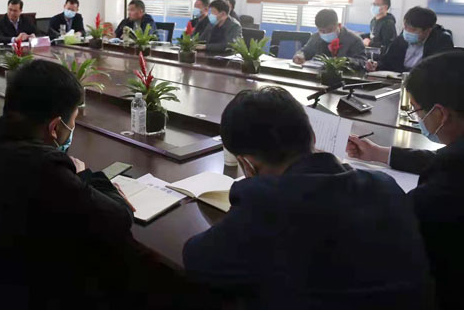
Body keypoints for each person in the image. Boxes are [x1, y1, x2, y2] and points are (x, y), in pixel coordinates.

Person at [184, 86, 433, 310]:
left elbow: (197, 259)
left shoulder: (266, 205)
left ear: (248, 164)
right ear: (312, 137)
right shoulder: (385, 185)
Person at [0, 60, 135, 309]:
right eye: (73, 121)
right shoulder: (41, 166)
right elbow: (119, 219)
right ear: (55, 127)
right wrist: (85, 175)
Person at [347, 51, 464, 309]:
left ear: (441, 114)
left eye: (416, 110)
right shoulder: (454, 156)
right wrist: (379, 154)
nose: (417, 117)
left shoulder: (449, 180)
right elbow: (438, 158)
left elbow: (400, 219)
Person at [366, 6, 453, 73]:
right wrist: (376, 65)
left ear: (427, 31)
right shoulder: (401, 39)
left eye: (413, 30)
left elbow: (438, 70)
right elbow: (387, 62)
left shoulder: (441, 41)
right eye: (406, 27)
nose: (408, 31)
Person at [293, 9, 367, 69]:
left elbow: (362, 62)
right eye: (321, 31)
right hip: (318, 76)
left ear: (339, 25)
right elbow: (305, 51)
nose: (325, 33)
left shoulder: (354, 40)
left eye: (330, 30)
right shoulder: (316, 37)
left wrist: (344, 61)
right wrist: (300, 56)